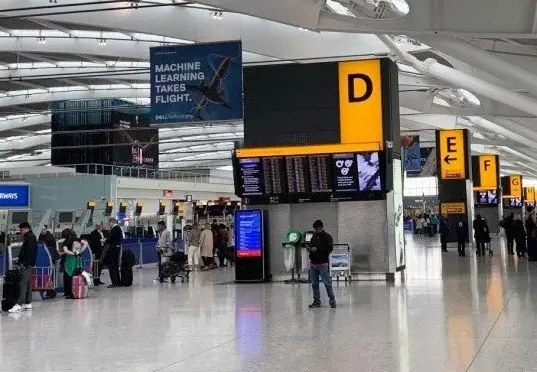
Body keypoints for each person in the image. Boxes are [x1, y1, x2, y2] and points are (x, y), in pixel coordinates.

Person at [8, 222, 37, 313]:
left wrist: (25, 263)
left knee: (22, 283)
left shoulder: (31, 237)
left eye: (21, 230)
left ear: (26, 228)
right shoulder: (30, 237)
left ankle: (19, 304)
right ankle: (28, 303)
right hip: (27, 264)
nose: (20, 232)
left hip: (26, 265)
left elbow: (30, 252)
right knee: (27, 283)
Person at [307, 220, 336, 309]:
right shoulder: (314, 236)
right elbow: (312, 245)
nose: (316, 230)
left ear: (321, 227)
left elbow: (329, 248)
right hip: (313, 264)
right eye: (315, 229)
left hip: (322, 264)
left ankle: (332, 300)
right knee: (314, 284)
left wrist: (318, 248)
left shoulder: (327, 237)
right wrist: (310, 249)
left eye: (317, 229)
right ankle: (317, 301)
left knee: (327, 283)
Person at [60, 228, 88, 299]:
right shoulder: (77, 239)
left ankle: (69, 293)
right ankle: (77, 291)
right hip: (78, 259)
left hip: (70, 260)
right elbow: (86, 243)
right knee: (77, 274)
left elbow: (65, 251)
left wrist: (73, 253)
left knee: (68, 275)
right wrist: (81, 251)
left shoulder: (66, 241)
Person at [103, 218, 124, 288]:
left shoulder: (115, 229)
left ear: (112, 222)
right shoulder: (118, 228)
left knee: (111, 266)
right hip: (116, 249)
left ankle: (114, 282)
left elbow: (111, 238)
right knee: (115, 266)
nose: (109, 224)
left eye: (109, 223)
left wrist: (104, 241)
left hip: (112, 250)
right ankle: (117, 281)